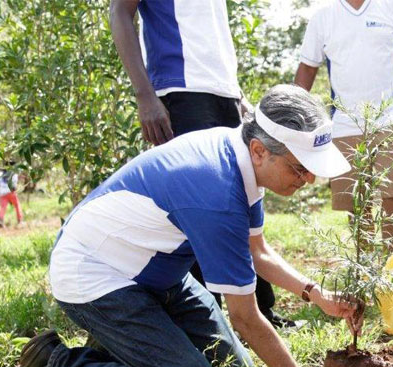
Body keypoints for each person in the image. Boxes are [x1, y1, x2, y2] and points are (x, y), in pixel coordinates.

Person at [5, 85, 364, 367]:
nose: (309, 180)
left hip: (154, 271)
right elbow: (245, 318)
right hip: (96, 275)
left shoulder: (242, 155)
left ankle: (119, 343)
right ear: (260, 151)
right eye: (300, 168)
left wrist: (316, 294)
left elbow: (258, 251)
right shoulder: (217, 193)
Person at [109, 0, 289, 328]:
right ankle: (211, 323)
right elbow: (120, 11)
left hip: (224, 96)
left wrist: (234, 94)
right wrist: (145, 96)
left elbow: (211, 33)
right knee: (204, 211)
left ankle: (263, 311)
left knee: (244, 199)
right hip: (181, 92)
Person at [294, 0, 393, 249]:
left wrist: (391, 75)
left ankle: (392, 265)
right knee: (357, 201)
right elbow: (307, 69)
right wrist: (290, 113)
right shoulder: (322, 16)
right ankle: (364, 270)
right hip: (346, 122)